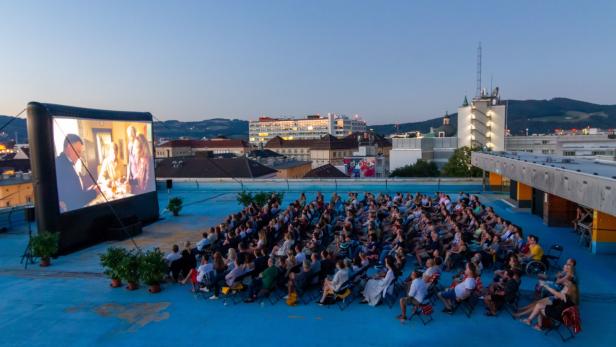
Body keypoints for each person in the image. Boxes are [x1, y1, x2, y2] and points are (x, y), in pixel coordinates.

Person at [55, 134, 99, 211]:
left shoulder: (67, 163)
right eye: (78, 152)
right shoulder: (61, 165)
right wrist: (94, 192)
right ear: (69, 147)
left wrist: (87, 190)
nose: (79, 156)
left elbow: (75, 192)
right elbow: (75, 201)